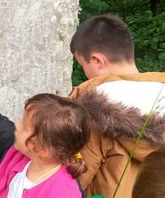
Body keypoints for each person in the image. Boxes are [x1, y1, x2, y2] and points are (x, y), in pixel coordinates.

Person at [0, 56, 90, 197]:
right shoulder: (9, 143)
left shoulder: (64, 193)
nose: (17, 126)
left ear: (41, 149)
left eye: (24, 126)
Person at [69, 14, 165, 198]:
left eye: (83, 65)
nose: (85, 72)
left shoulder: (94, 112)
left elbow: (72, 183)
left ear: (97, 60)